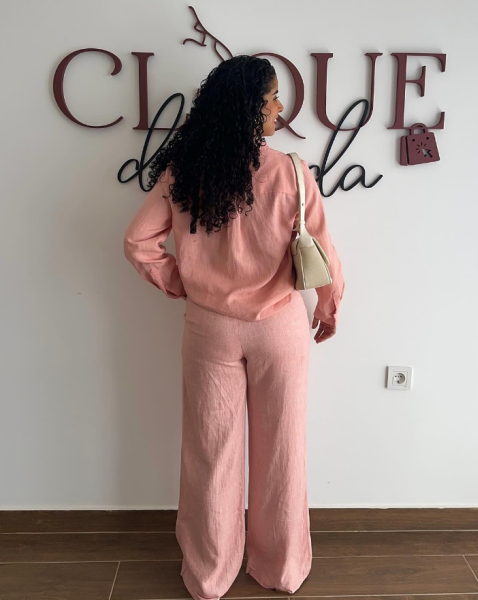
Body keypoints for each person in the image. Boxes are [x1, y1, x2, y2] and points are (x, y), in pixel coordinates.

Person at [123, 55, 345, 600]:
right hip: (279, 328)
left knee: (210, 455)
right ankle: (282, 568)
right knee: (282, 451)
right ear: (249, 108)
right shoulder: (292, 171)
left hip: (210, 329)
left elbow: (137, 243)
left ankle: (210, 574)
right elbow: (324, 252)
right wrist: (328, 305)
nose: (280, 108)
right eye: (272, 99)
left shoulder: (184, 172)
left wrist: (182, 283)